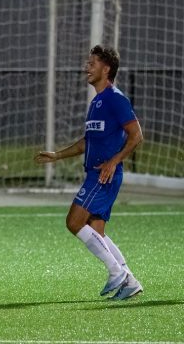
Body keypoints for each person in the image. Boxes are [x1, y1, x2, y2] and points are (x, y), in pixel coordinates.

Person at [34, 45, 144, 300]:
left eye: (92, 63)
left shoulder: (115, 99)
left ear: (106, 69)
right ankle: (129, 281)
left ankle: (116, 272)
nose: (87, 66)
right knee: (97, 230)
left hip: (103, 175)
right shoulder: (96, 102)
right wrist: (57, 155)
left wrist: (113, 161)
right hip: (96, 174)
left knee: (74, 222)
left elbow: (136, 135)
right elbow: (88, 142)